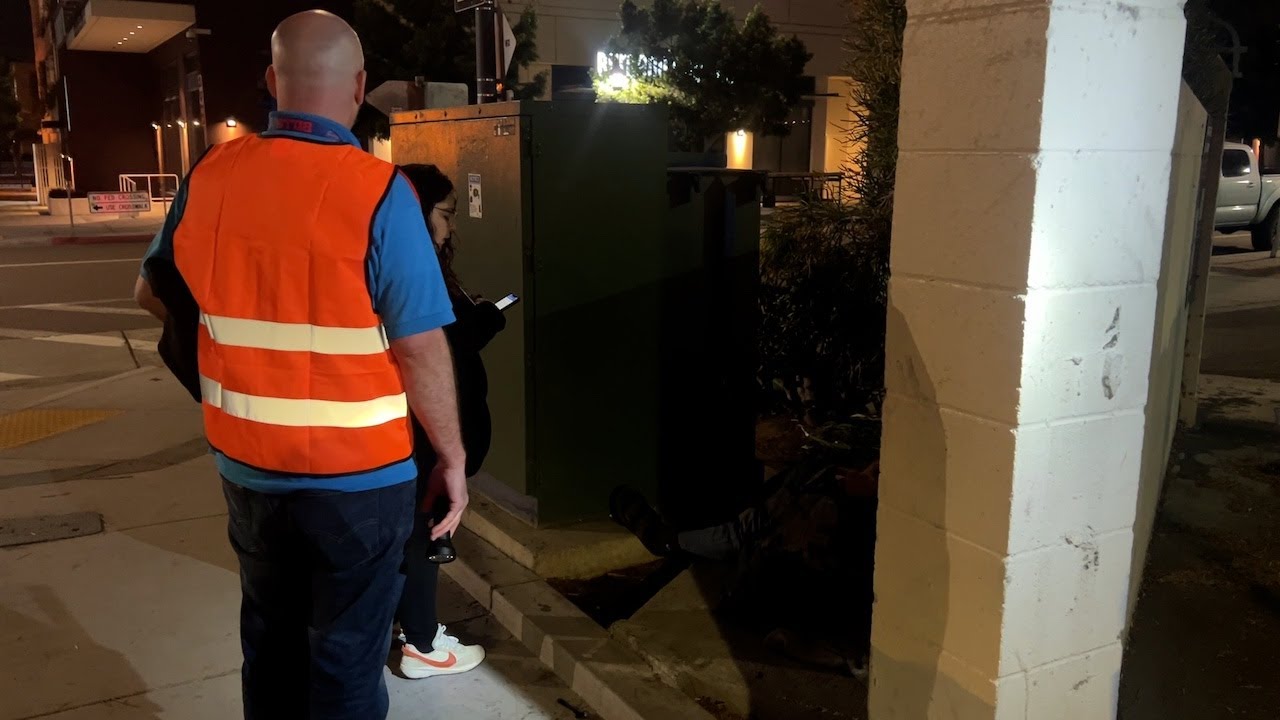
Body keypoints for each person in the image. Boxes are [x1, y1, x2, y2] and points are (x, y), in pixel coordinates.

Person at [132, 11, 467, 719]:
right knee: (343, 661)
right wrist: (452, 457)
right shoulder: (378, 192)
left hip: (249, 471)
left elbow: (150, 294)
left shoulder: (210, 177)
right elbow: (419, 347)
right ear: (359, 88)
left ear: (270, 83)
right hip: (359, 482)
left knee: (272, 646)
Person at [394, 164, 504, 679]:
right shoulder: (415, 271)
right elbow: (429, 349)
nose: (452, 226)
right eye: (446, 214)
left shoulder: (386, 261)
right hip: (422, 439)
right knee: (424, 532)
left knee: (412, 533)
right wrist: (451, 454)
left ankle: (406, 625)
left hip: (403, 436)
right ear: (419, 213)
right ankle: (421, 643)